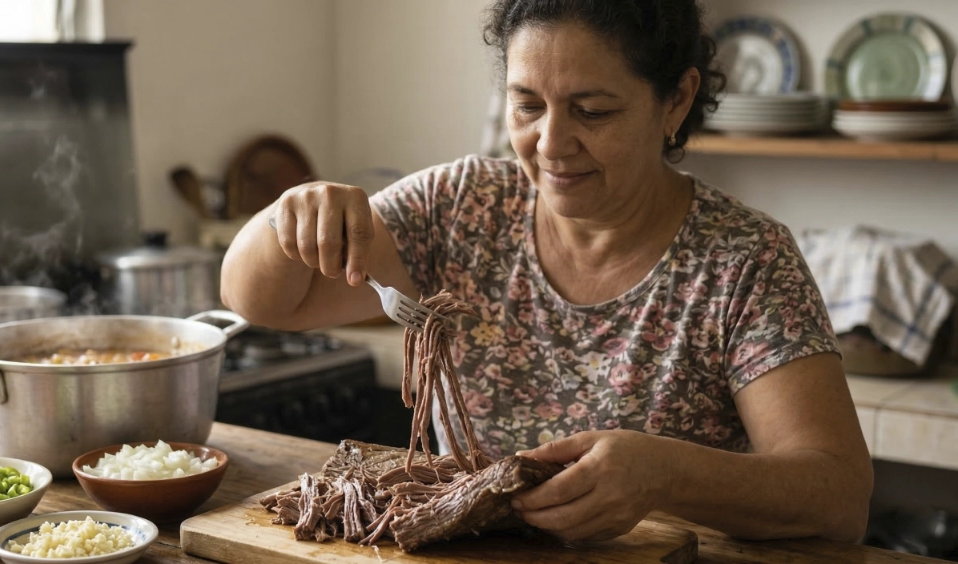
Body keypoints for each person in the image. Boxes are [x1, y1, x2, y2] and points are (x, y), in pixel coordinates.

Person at [221, 0, 872, 544]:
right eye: (527, 105)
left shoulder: (744, 261)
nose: (551, 144)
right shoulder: (464, 204)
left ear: (675, 100)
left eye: (592, 111)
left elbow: (836, 495)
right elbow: (264, 303)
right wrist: (286, 220)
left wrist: (666, 475)